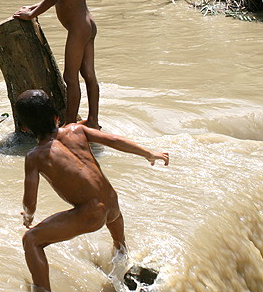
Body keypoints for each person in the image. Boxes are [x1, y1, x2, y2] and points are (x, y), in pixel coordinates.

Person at [15, 89, 169, 292]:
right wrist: (149, 153)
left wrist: (28, 216)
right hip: (113, 203)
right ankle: (125, 265)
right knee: (119, 245)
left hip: (90, 212)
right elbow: (113, 140)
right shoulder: (76, 130)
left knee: (31, 240)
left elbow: (30, 200)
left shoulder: (35, 157)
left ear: (24, 128)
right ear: (56, 117)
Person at [14, 0, 99, 128]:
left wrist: (31, 14)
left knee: (70, 76)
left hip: (79, 29)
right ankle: (93, 121)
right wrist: (32, 8)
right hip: (86, 25)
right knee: (88, 74)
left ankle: (70, 124)